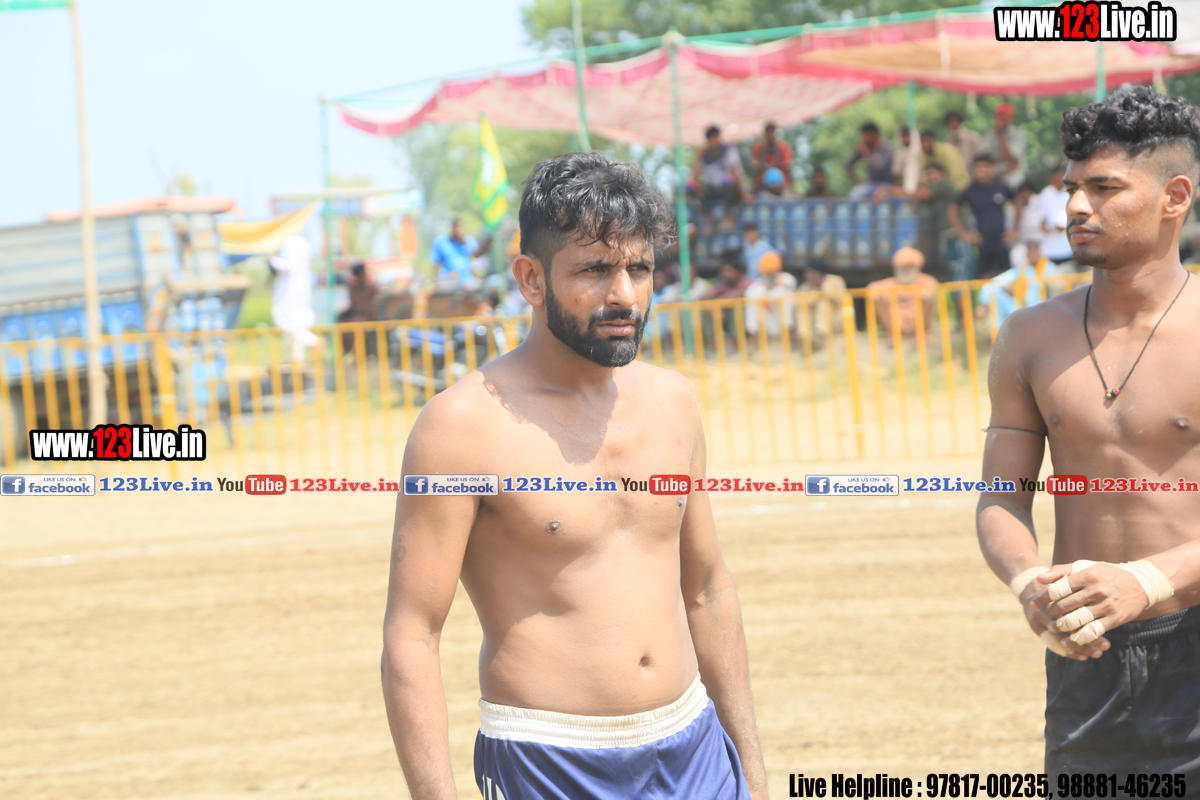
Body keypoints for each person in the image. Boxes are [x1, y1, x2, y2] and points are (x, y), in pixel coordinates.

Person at [383, 152, 767, 800]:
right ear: (531, 279)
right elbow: (413, 633)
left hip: (695, 747)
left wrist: (751, 776)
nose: (624, 295)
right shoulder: (460, 427)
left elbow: (706, 591)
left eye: (639, 268)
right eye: (595, 270)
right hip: (550, 764)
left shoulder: (673, 403)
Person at [976, 86, 1200, 786]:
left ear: (1174, 197)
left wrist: (1147, 580)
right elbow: (1000, 497)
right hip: (1085, 656)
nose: (1075, 207)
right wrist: (1029, 585)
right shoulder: (1029, 336)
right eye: (1072, 187)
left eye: (1105, 188)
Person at [949, 154, 1016, 279]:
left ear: (991, 168)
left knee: (1006, 278)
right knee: (986, 279)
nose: (980, 170)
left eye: (984, 166)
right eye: (977, 167)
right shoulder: (971, 190)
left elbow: (1018, 203)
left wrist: (1014, 230)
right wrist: (964, 234)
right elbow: (952, 210)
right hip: (982, 242)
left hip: (1002, 240)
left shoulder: (1001, 186)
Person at [975, 239, 1060, 328]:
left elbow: (1058, 288)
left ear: (1040, 252)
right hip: (1023, 308)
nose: (1032, 253)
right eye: (1030, 250)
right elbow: (995, 282)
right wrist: (984, 302)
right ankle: (997, 330)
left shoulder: (1050, 268)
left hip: (1045, 309)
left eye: (1035, 249)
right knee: (997, 293)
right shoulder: (1022, 269)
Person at [867, 246, 938, 339]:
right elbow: (872, 288)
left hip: (918, 327)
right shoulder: (891, 283)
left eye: (909, 266)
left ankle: (923, 332)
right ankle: (892, 333)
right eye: (903, 267)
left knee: (927, 296)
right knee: (878, 295)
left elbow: (930, 289)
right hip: (896, 328)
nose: (906, 269)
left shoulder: (927, 281)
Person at [690, 125, 749, 231]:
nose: (714, 140)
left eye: (716, 137)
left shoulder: (728, 149)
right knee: (692, 189)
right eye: (711, 138)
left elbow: (736, 172)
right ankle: (709, 219)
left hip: (729, 188)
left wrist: (744, 194)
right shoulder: (705, 154)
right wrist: (699, 154)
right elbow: (694, 178)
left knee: (727, 181)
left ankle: (728, 216)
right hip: (714, 189)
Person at [269, 235, 318, 361]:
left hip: (289, 289)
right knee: (295, 322)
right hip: (299, 287)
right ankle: (296, 359)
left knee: (282, 318)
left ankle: (312, 341)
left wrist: (273, 259)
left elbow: (289, 265)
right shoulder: (303, 242)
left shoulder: (291, 242)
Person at [744, 252, 799, 338]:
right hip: (766, 321)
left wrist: (773, 285)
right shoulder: (757, 284)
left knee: (783, 294)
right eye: (767, 273)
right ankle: (754, 339)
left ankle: (790, 338)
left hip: (783, 320)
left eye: (772, 272)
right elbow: (749, 293)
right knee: (752, 299)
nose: (770, 275)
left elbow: (790, 286)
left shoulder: (787, 278)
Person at [797, 259, 847, 350]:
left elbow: (839, 300)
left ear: (816, 272)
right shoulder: (806, 286)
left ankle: (820, 335)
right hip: (813, 323)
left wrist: (822, 287)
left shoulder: (836, 280)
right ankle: (804, 337)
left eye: (808, 272)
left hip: (837, 320)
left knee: (823, 301)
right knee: (803, 308)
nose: (805, 275)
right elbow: (799, 302)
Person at [981, 102, 1028, 190]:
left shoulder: (1018, 134)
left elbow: (1010, 156)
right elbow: (984, 158)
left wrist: (1001, 134)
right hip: (994, 180)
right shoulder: (989, 135)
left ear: (1011, 118)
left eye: (1004, 117)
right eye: (999, 116)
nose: (1001, 120)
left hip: (1015, 181)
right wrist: (1004, 159)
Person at [337, 260, 379, 356]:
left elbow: (373, 306)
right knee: (340, 323)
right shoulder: (353, 288)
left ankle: (355, 353)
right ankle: (347, 352)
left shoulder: (370, 288)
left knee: (354, 326)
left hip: (365, 317)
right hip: (356, 316)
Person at [845, 122, 894, 199]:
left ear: (874, 134)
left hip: (886, 184)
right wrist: (858, 181)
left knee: (884, 199)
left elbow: (880, 169)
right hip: (870, 184)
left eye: (866, 135)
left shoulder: (887, 147)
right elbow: (848, 165)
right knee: (853, 196)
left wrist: (867, 154)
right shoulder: (866, 146)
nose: (864, 138)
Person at [1037, 164, 1074, 265]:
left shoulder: (1071, 192)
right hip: (1050, 247)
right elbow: (1042, 217)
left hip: (1068, 246)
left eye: (1059, 178)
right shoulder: (1045, 193)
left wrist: (1065, 226)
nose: (1057, 181)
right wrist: (1044, 226)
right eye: (1054, 178)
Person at [429, 219, 485, 285]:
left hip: (466, 279)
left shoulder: (468, 240)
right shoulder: (441, 242)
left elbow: (476, 254)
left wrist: (465, 241)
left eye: (459, 227)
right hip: (448, 279)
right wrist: (436, 281)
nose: (457, 229)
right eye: (455, 227)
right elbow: (436, 263)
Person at [751, 121, 793, 193]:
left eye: (773, 131)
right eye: (768, 132)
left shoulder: (784, 147)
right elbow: (756, 167)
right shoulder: (758, 148)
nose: (770, 135)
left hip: (782, 189)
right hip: (762, 188)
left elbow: (788, 167)